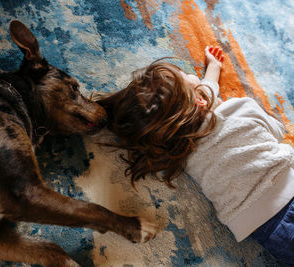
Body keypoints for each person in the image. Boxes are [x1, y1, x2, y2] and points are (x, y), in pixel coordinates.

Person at [96, 46, 294, 264]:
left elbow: (205, 95)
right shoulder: (240, 108)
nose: (193, 75)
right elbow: (276, 130)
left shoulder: (180, 151)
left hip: (264, 229)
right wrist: (214, 69)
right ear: (199, 101)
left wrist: (213, 71)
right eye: (188, 76)